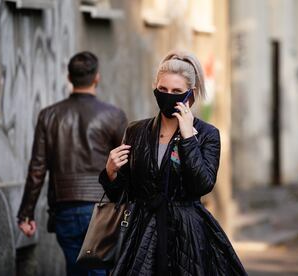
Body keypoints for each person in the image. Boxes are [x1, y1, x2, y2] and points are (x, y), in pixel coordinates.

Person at [99, 50, 247, 275]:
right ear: (155, 88)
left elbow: (202, 185)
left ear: (191, 94)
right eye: (163, 90)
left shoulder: (207, 134)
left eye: (177, 91)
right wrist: (110, 173)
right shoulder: (136, 131)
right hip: (141, 233)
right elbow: (125, 194)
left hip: (186, 233)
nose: (169, 95)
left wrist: (188, 139)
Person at [17, 51, 127, 276]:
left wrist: (26, 213)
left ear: (69, 77)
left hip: (64, 208)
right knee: (98, 271)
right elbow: (125, 163)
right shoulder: (114, 115)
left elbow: (37, 168)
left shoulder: (49, 115)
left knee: (75, 271)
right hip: (101, 207)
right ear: (97, 77)